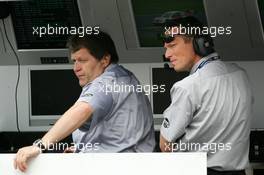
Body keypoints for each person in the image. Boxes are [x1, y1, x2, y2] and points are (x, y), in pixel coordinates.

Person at [14, 31, 155, 172]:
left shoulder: (106, 83)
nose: (76, 68)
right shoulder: (124, 77)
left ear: (105, 60)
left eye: (82, 60)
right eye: (74, 61)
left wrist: (39, 146)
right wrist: (82, 147)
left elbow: (82, 110)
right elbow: (119, 133)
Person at [159, 16, 253, 175]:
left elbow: (165, 145)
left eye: (172, 46)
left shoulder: (187, 87)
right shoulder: (240, 75)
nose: (167, 54)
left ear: (198, 43)